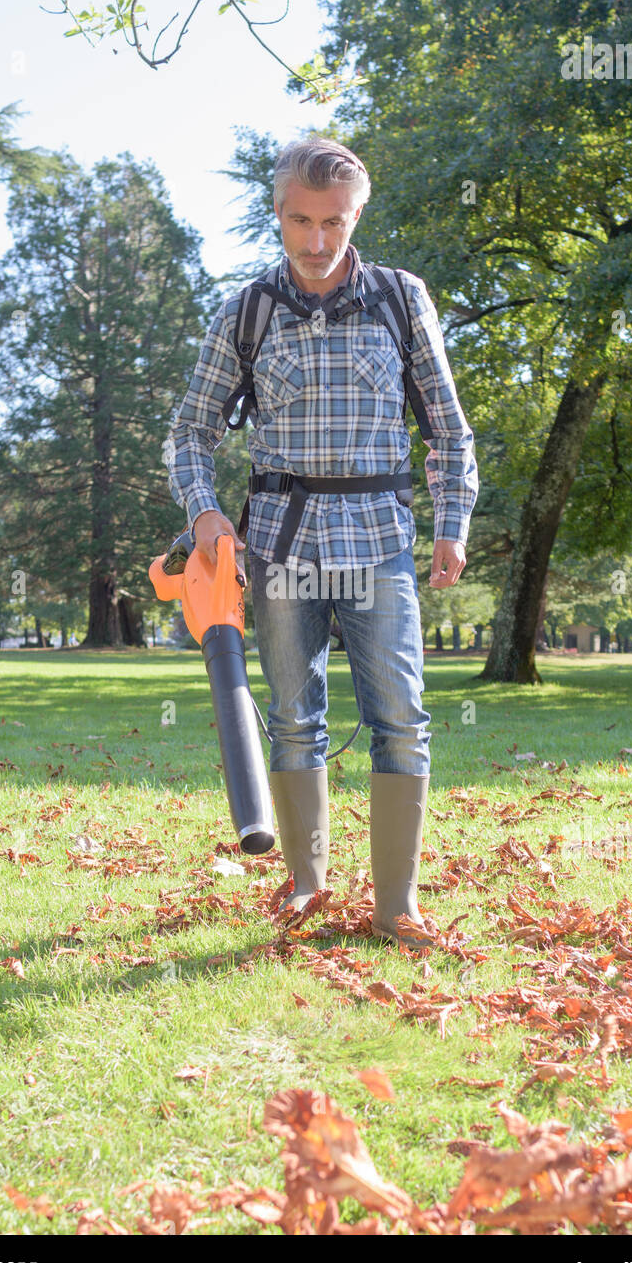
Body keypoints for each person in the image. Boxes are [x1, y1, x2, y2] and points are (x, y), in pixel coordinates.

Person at [164, 136, 478, 949]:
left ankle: (395, 905)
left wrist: (452, 523)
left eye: (332, 222)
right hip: (277, 542)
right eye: (299, 221)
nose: (315, 242)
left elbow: (447, 430)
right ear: (278, 214)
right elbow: (191, 433)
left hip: (378, 541)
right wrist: (204, 512)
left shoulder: (400, 299)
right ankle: (305, 884)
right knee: (293, 717)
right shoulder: (248, 311)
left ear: (356, 215)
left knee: (401, 719)